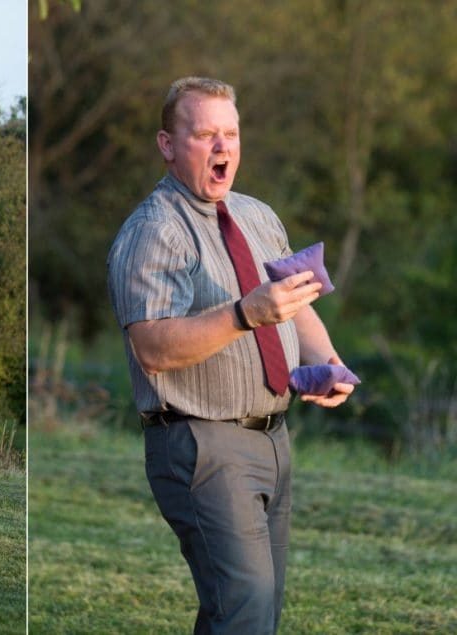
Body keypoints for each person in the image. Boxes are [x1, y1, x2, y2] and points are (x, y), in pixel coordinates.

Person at [106, 77, 356, 634]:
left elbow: (296, 304)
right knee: (245, 606)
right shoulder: (154, 231)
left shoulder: (259, 216)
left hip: (274, 437)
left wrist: (330, 361)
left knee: (253, 610)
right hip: (200, 443)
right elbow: (151, 346)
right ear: (168, 145)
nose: (223, 148)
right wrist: (244, 314)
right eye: (204, 135)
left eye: (231, 134)